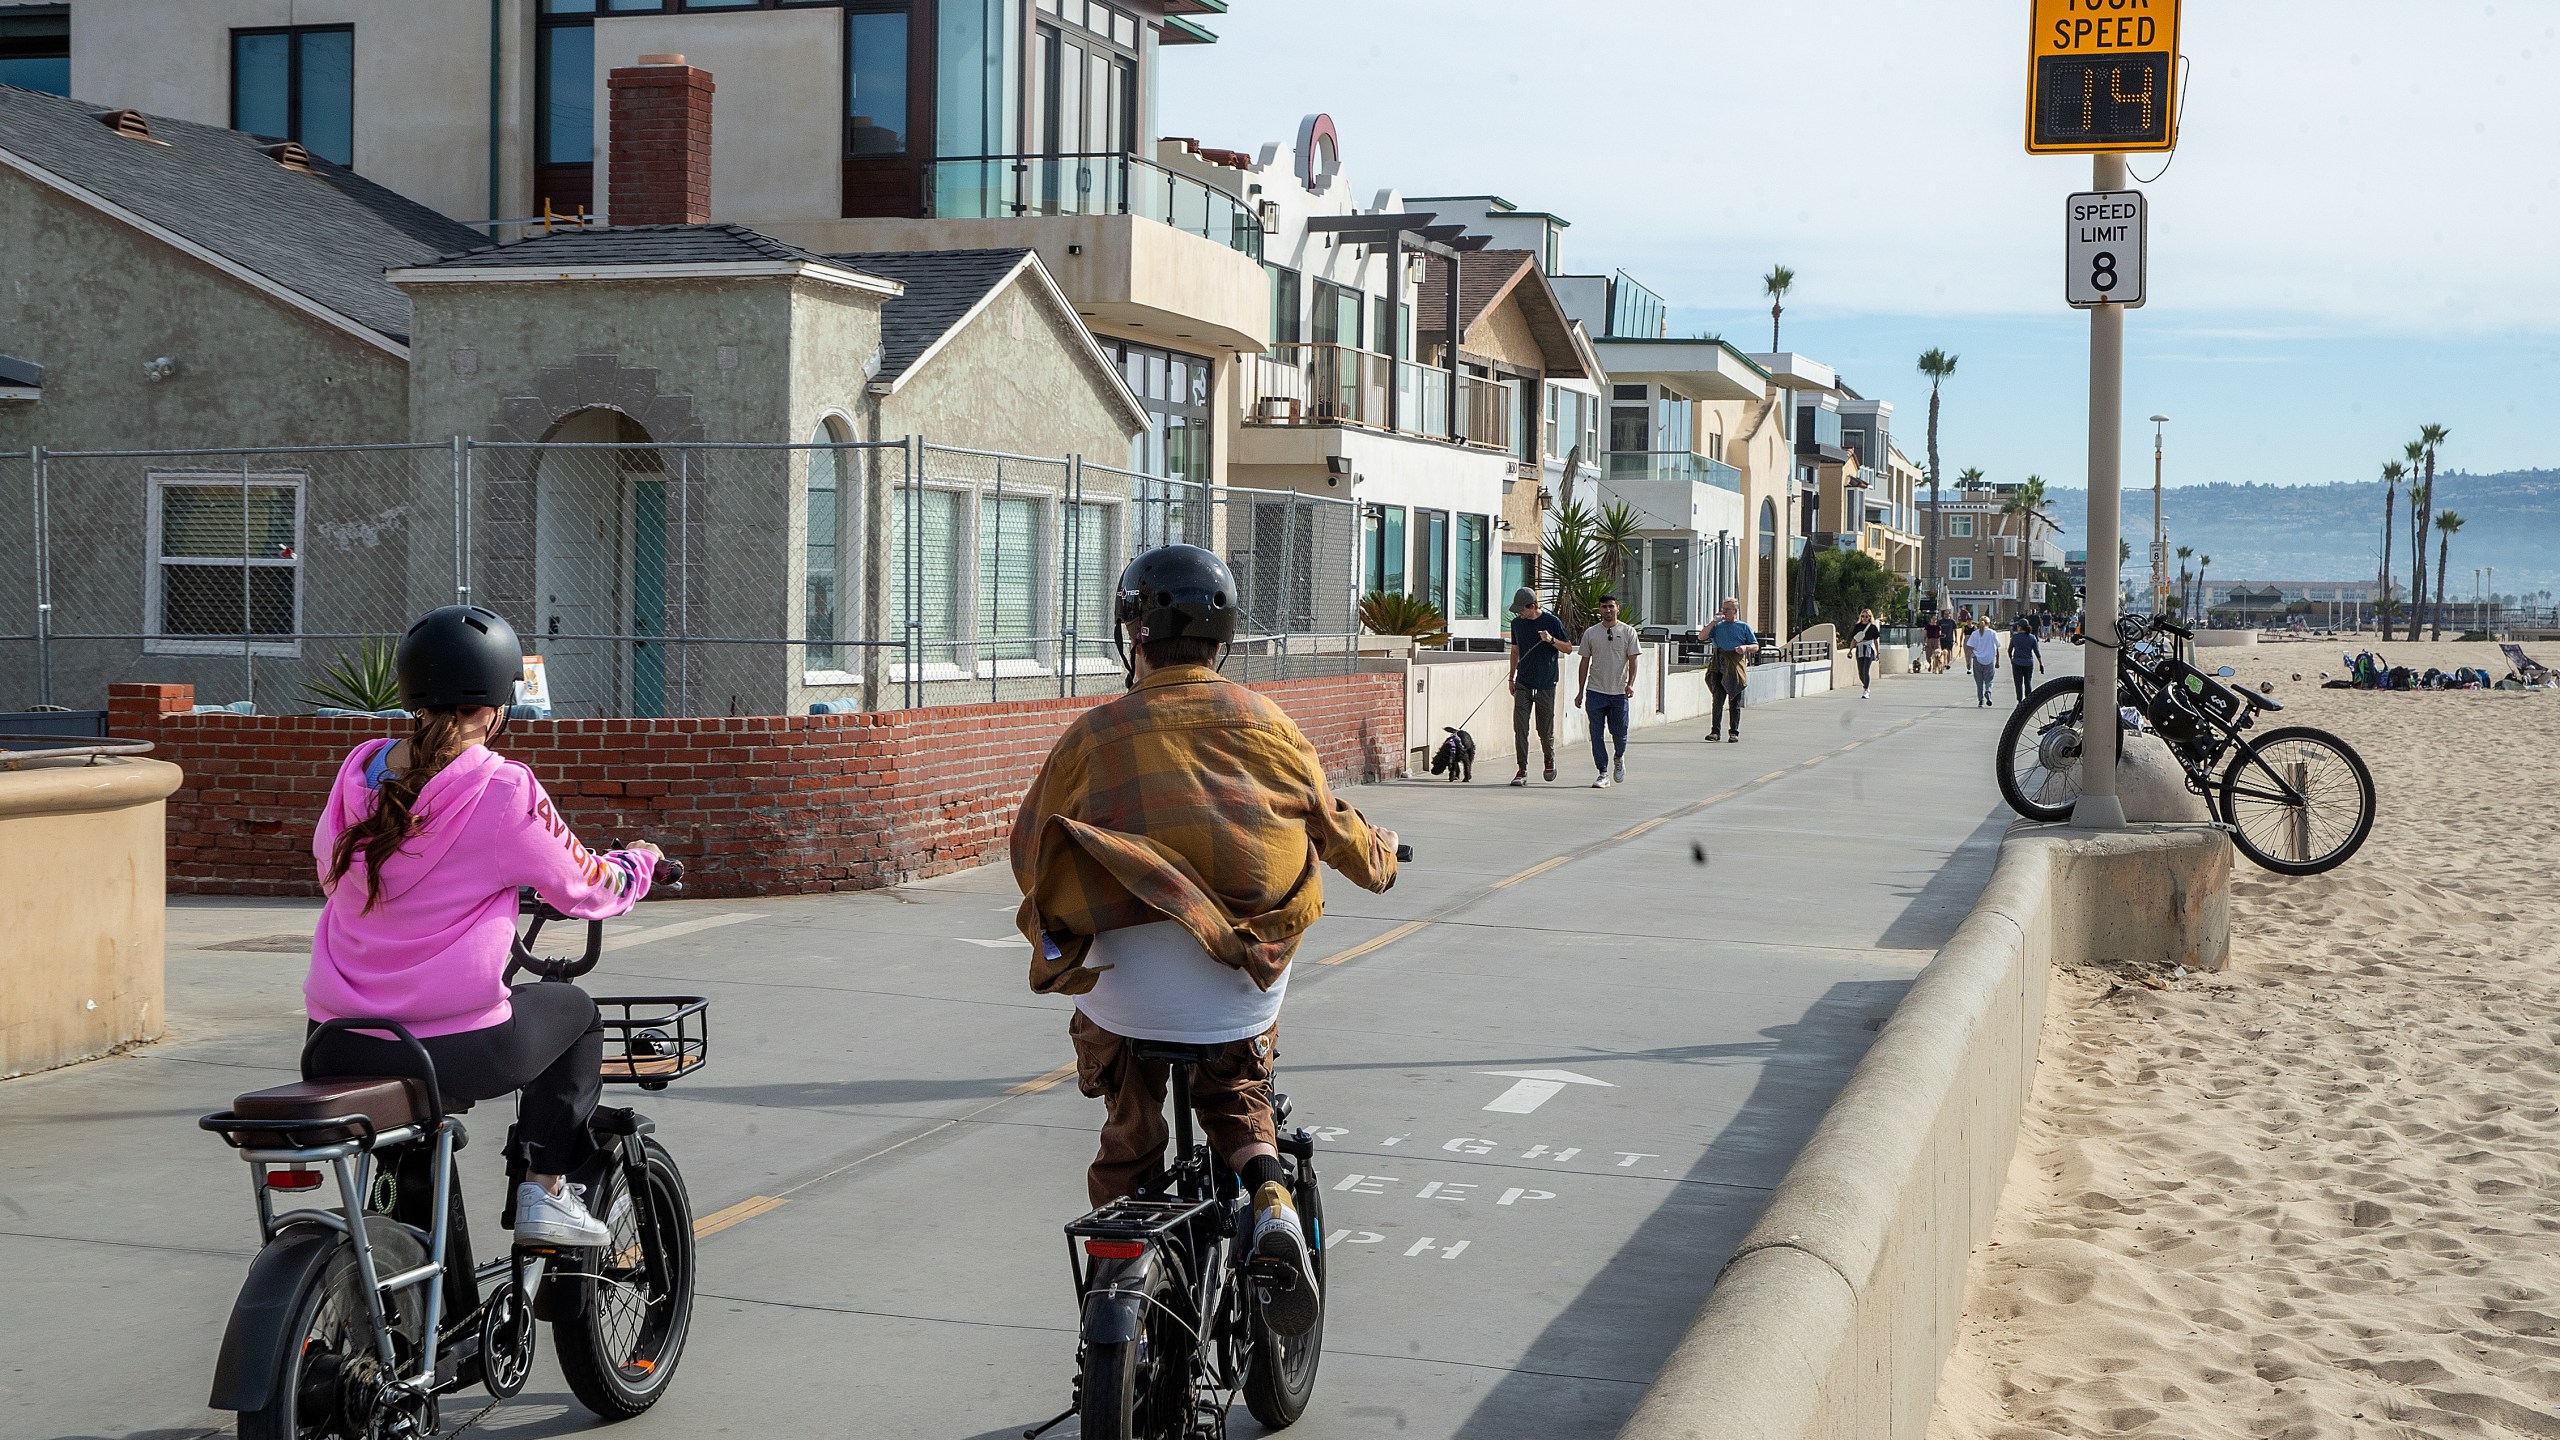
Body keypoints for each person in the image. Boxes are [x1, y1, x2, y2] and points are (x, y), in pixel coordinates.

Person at [1012, 544, 1398, 1337]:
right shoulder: (1271, 724)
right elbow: (1340, 838)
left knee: (1129, 1116)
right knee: (1234, 1091)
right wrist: (1383, 854)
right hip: (1236, 990)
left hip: (1127, 992)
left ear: (1136, 639)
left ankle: (1122, 1257)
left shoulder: (1093, 735)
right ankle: (1268, 1194)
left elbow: (1029, 854)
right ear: (1221, 643)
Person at [302, 605, 663, 1249]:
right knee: (575, 1013)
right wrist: (637, 863)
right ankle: (545, 1191)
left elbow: (332, 876)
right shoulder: (502, 790)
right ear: (497, 705)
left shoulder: (359, 771)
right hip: (448, 1051)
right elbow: (583, 886)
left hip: (333, 1041)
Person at [1504, 587, 1571, 786]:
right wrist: (1511, 677)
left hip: (1545, 683)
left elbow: (1567, 648)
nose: (1519, 614)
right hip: (1523, 682)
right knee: (1520, 728)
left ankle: (1549, 758)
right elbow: (1515, 651)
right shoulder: (1517, 624)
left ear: (1533, 606)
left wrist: (1551, 640)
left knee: (1544, 728)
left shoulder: (1552, 622)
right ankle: (1522, 769)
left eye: (1522, 610)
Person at [1574, 595, 1641, 787]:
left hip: (1619, 693)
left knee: (1619, 733)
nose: (1608, 610)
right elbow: (1584, 661)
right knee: (1596, 733)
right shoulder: (1591, 633)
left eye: (1611, 606)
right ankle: (1602, 772)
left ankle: (1619, 758)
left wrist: (1630, 683)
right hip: (1595, 691)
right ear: (1599, 609)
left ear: (1617, 608)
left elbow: (1633, 659)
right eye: (1604, 607)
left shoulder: (1628, 632)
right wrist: (1580, 691)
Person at [1698, 597, 1759, 742]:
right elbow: (1701, 636)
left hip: (1735, 669)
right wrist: (1713, 621)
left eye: (1727, 609)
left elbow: (1755, 646)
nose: (1723, 611)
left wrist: (1745, 648)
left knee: (1734, 702)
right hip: (1718, 667)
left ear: (1735, 611)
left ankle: (1734, 732)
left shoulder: (1743, 627)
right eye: (1723, 608)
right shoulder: (1718, 627)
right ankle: (1715, 732)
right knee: (1717, 701)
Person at [1965, 619, 2003, 707]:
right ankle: (1988, 692)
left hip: (1977, 660)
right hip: (1989, 660)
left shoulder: (1974, 634)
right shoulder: (1992, 633)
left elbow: (1970, 648)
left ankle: (1980, 700)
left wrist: (1968, 661)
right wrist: (1997, 660)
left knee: (1979, 682)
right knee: (1989, 680)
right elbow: (1997, 648)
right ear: (1988, 623)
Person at [2008, 615, 2046, 703]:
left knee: (2018, 683)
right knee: (2028, 681)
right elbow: (2037, 652)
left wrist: (2011, 659)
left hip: (2017, 662)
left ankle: (2019, 700)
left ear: (2020, 627)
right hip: (2028, 663)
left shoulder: (2015, 637)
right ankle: (2028, 700)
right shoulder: (2032, 637)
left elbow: (2009, 650)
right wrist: (2041, 664)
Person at [1850, 608, 1883, 699]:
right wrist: (1850, 650)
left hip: (1868, 649)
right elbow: (1854, 639)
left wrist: (1877, 652)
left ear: (1869, 617)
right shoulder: (1857, 626)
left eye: (1866, 616)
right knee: (1860, 672)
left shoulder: (1873, 627)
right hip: (1859, 648)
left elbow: (1875, 640)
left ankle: (1866, 690)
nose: (1864, 618)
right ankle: (1866, 686)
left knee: (1865, 670)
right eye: (1863, 616)